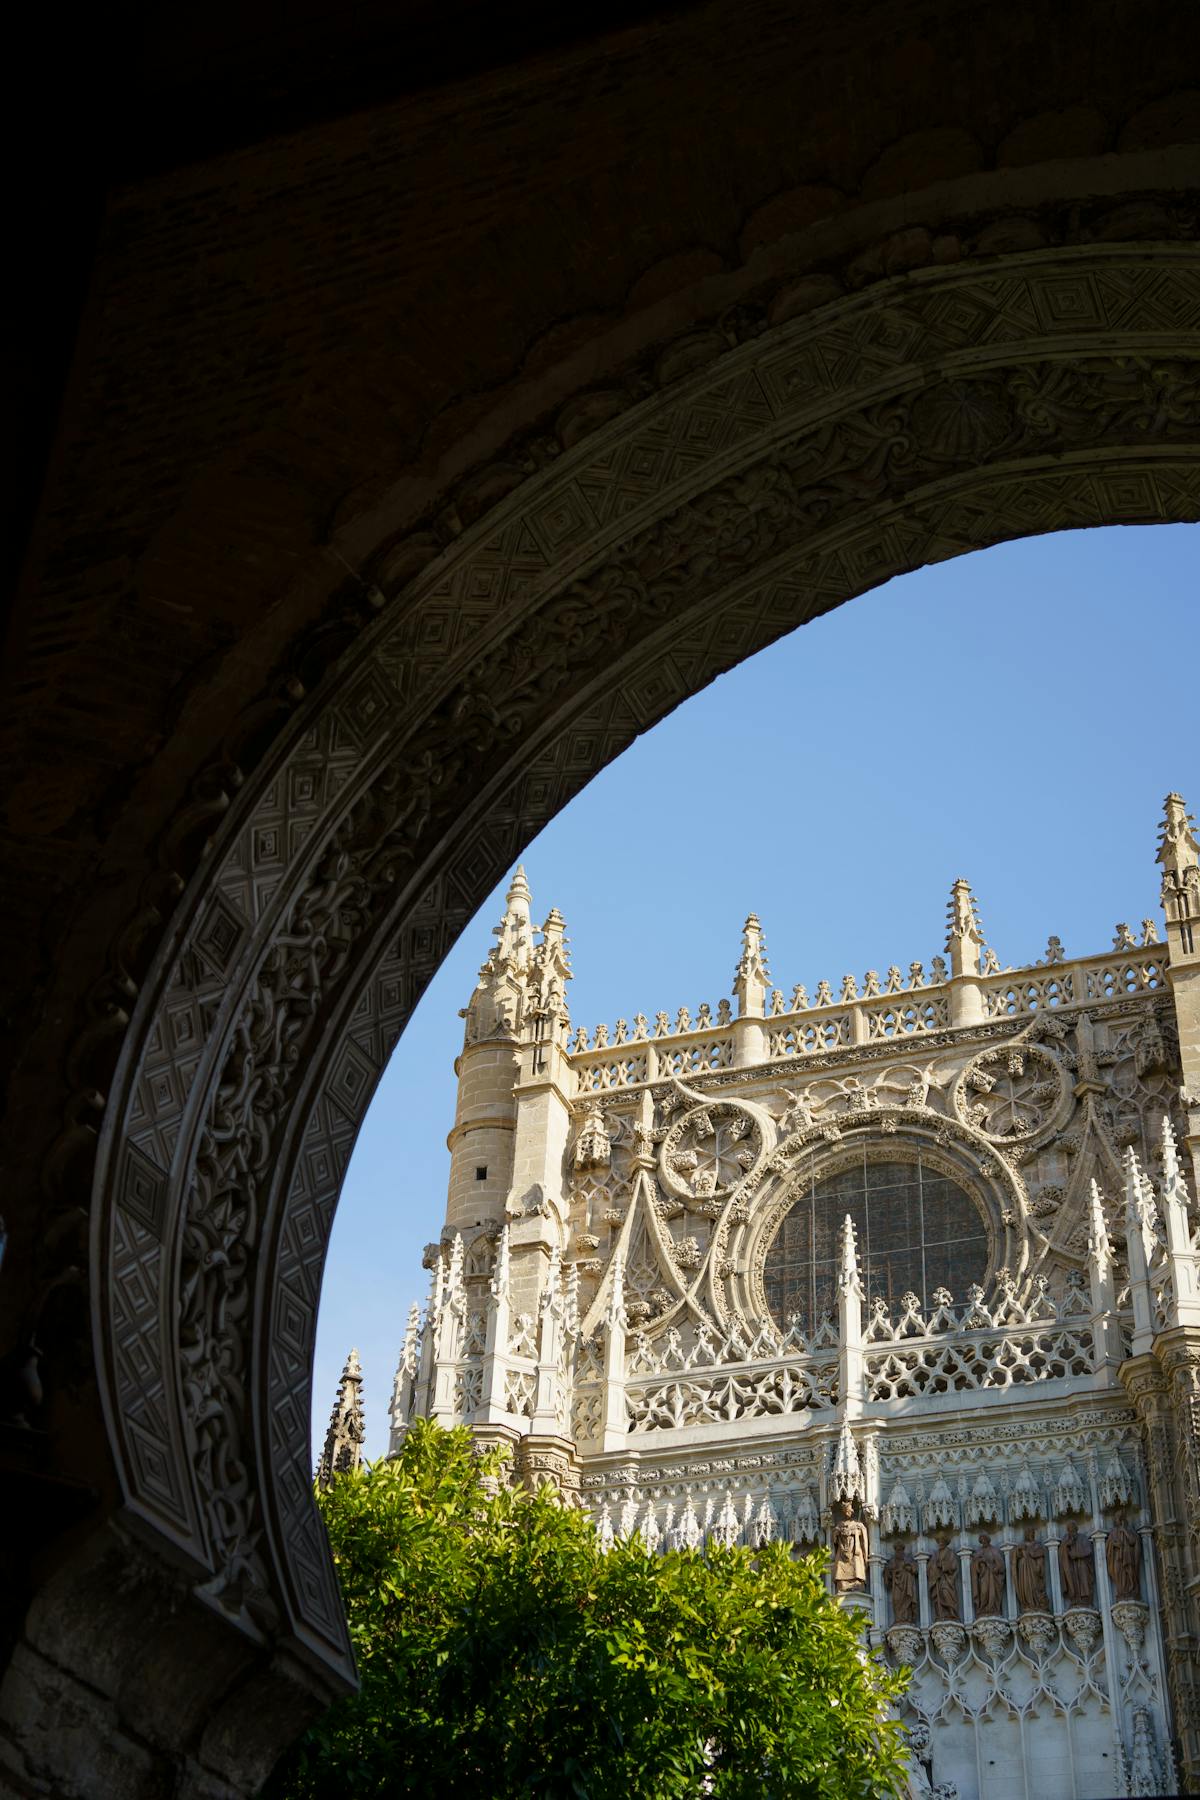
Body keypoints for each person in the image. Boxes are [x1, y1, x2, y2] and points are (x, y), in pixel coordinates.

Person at [831, 1499, 869, 1592]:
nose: (847, 1513)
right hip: (842, 1551)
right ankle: (842, 1584)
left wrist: (854, 1532)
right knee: (840, 1566)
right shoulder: (840, 1524)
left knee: (856, 1565)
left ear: (852, 1511)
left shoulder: (857, 1524)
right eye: (845, 1511)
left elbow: (863, 1534)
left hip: (854, 1550)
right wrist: (839, 1532)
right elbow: (834, 1536)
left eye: (849, 1511)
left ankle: (857, 1583)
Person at [1059, 1521, 1095, 1606]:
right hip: (1071, 1567)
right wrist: (1066, 1545)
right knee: (1072, 1581)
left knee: (1084, 1581)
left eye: (1073, 1528)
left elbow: (1088, 1551)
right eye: (1069, 1529)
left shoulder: (1083, 1538)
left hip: (1082, 1565)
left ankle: (1085, 1599)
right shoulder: (1066, 1539)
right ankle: (1074, 1598)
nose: (1071, 1530)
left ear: (1076, 1528)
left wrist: (1077, 1555)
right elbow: (1061, 1554)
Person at [1014, 1526, 1049, 1612]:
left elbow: (1040, 1557)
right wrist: (1019, 1551)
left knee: (1035, 1587)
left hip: (1034, 1570)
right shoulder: (1022, 1545)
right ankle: (1028, 1604)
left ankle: (1037, 1604)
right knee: (1026, 1587)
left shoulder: (1037, 1545)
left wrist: (1039, 1567)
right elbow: (1015, 1557)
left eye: (1033, 1533)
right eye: (1030, 1533)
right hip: (1024, 1571)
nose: (1032, 1535)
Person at [971, 1533, 1006, 1617]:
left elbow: (1000, 1565)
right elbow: (974, 1565)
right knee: (983, 1592)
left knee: (993, 1593)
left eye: (984, 1539)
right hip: (983, 1576)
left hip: (993, 1577)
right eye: (981, 1540)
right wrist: (979, 1562)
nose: (983, 1541)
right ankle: (983, 1608)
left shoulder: (994, 1550)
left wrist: (995, 1568)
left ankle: (993, 1609)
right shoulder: (979, 1552)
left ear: (987, 1539)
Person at [1106, 1517, 1141, 1600]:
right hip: (1117, 1558)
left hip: (1128, 1557)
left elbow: (1133, 1541)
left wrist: (1124, 1531)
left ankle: (1131, 1590)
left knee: (1129, 1572)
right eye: (1117, 1520)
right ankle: (1121, 1592)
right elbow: (1108, 1545)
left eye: (1120, 1520)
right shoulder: (1113, 1532)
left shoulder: (1130, 1531)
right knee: (1118, 1573)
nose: (1118, 1521)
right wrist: (1114, 1544)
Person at [884, 1542, 919, 1623]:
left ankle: (908, 1618)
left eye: (900, 1550)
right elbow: (887, 1572)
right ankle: (899, 1619)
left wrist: (909, 1568)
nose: (898, 1552)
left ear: (903, 1550)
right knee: (896, 1600)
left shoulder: (908, 1559)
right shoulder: (892, 1561)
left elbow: (915, 1570)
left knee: (908, 1600)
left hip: (907, 1585)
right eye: (897, 1550)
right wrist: (889, 1572)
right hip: (896, 1585)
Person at [929, 1535, 961, 1621]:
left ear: (946, 1543)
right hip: (938, 1579)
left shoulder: (950, 1553)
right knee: (938, 1596)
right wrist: (934, 1569)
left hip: (948, 1579)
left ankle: (952, 1613)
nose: (940, 1543)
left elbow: (954, 1566)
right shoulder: (936, 1554)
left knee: (946, 1593)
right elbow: (930, 1567)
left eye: (942, 1541)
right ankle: (941, 1614)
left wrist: (943, 1566)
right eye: (939, 1541)